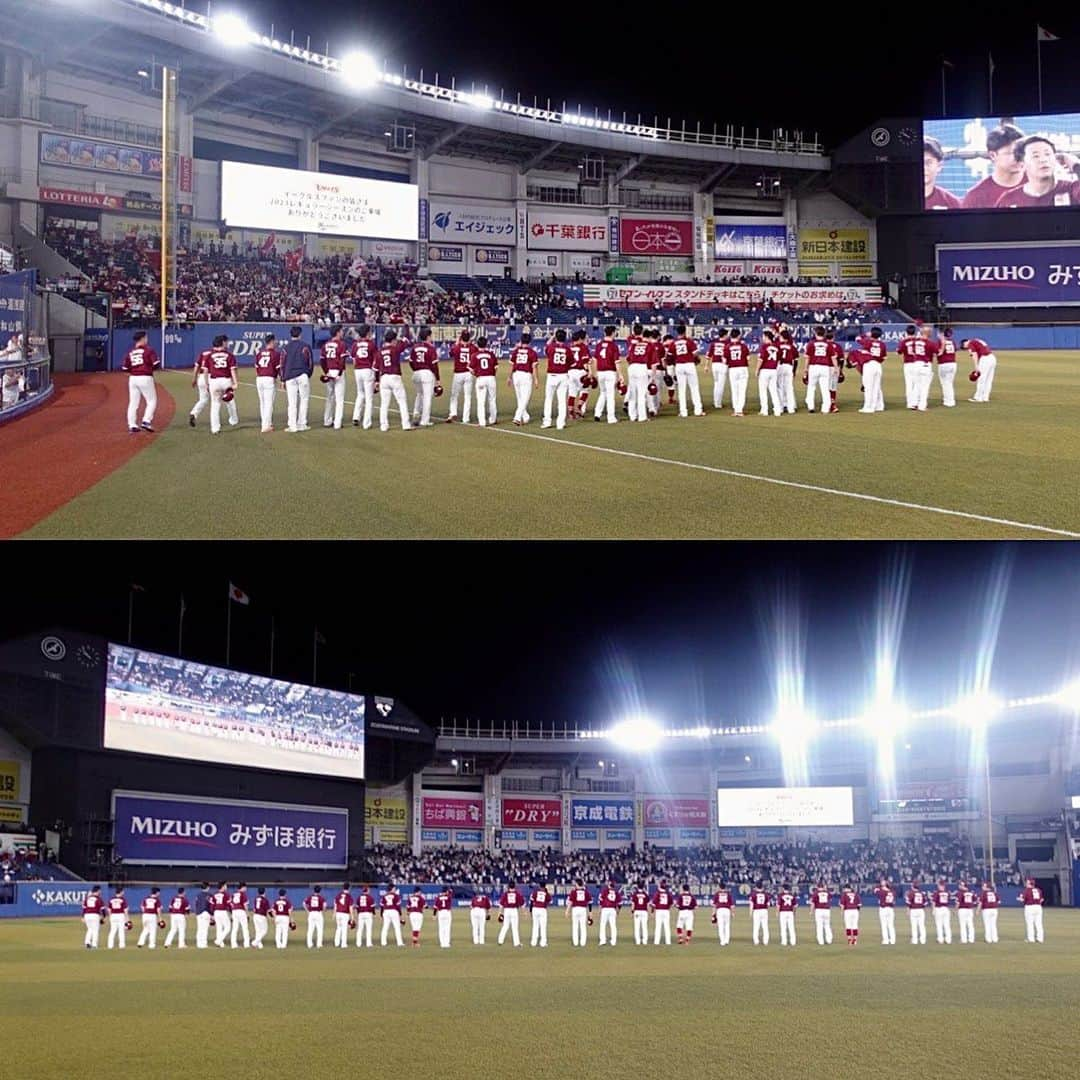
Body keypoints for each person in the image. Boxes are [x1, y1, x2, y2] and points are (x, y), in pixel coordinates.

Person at [994, 134, 1080, 207]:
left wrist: (1076, 165)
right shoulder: (1009, 199)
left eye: (1047, 154)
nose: (1043, 160)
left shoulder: (1073, 189)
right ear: (1022, 164)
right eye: (1036, 156)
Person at [961, 123, 1026, 208]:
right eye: (1010, 153)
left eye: (1021, 152)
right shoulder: (975, 197)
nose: (1018, 157)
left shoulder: (1042, 184)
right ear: (992, 155)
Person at [121, 330, 160, 433]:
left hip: (133, 378)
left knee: (133, 403)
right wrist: (149, 369)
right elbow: (156, 364)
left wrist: (134, 370)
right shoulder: (149, 350)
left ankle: (132, 425)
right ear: (142, 338)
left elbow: (125, 368)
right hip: (145, 377)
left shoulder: (130, 352)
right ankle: (146, 421)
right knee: (152, 401)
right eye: (146, 338)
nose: (147, 339)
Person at [375, 329, 412, 432]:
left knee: (384, 404)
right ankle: (405, 424)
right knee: (402, 402)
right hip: (395, 377)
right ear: (393, 340)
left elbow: (376, 368)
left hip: (384, 378)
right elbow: (406, 338)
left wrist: (376, 381)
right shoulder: (395, 348)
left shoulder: (380, 351)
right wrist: (406, 326)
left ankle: (383, 425)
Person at [282, 326, 313, 433]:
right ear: (300, 334)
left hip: (290, 376)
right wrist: (308, 374)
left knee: (292, 402)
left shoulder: (286, 348)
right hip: (302, 375)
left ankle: (292, 426)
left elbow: (282, 364)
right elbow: (310, 363)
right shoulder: (305, 346)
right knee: (304, 400)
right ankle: (302, 424)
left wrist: (282, 379)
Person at [408, 326, 441, 427]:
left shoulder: (415, 347)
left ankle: (416, 413)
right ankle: (424, 421)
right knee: (427, 397)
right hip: (427, 374)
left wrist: (416, 370)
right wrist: (438, 379)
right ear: (427, 337)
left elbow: (410, 362)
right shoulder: (431, 348)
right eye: (430, 336)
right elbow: (434, 365)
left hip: (416, 373)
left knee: (419, 394)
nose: (431, 338)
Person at [668, 323, 704, 417]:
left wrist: (673, 363)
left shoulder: (673, 343)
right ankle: (698, 410)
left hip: (679, 366)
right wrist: (697, 360)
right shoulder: (689, 341)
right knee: (694, 388)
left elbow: (669, 357)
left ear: (677, 332)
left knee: (681, 389)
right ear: (685, 331)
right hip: (689, 364)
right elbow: (695, 354)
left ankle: (683, 412)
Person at [591, 326, 624, 425]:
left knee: (603, 393)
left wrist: (596, 371)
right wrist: (620, 375)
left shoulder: (599, 345)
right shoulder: (613, 346)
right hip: (610, 372)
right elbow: (617, 362)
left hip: (600, 372)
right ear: (613, 333)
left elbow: (595, 359)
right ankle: (611, 417)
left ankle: (597, 413)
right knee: (610, 395)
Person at [896, 325, 933, 411]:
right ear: (915, 332)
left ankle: (911, 403)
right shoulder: (918, 340)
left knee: (909, 384)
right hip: (918, 363)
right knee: (918, 385)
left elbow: (899, 352)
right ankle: (919, 402)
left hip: (908, 364)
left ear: (906, 332)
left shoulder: (904, 341)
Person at [541, 329, 572, 430]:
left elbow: (546, 345)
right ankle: (560, 423)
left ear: (556, 337)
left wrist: (552, 337)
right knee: (562, 401)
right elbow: (571, 362)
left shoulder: (551, 347)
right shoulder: (567, 349)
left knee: (548, 399)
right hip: (563, 375)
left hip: (552, 376)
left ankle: (547, 422)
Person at [319, 325, 348, 429]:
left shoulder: (325, 345)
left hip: (329, 371)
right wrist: (339, 373)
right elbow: (342, 360)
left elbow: (322, 361)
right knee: (339, 399)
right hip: (338, 371)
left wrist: (326, 372)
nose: (342, 333)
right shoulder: (341, 344)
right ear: (337, 332)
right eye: (341, 331)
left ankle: (327, 421)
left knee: (329, 397)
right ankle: (337, 423)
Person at [508, 333, 539, 426]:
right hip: (526, 375)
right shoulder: (532, 352)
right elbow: (534, 367)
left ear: (521, 341)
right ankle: (517, 417)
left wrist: (509, 377)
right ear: (530, 342)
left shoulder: (516, 351)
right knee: (525, 398)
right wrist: (536, 379)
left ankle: (525, 416)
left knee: (520, 398)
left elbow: (512, 365)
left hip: (516, 375)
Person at [253, 333, 282, 432]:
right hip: (269, 379)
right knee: (269, 403)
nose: (276, 342)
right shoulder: (276, 354)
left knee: (263, 402)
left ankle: (265, 423)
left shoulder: (259, 353)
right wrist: (281, 379)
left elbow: (256, 368)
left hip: (259, 378)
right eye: (275, 341)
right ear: (272, 341)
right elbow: (278, 369)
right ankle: (266, 426)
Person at [351, 325, 378, 429]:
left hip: (358, 370)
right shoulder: (371, 344)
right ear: (367, 333)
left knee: (360, 394)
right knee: (369, 397)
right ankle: (367, 423)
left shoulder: (355, 344)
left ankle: (356, 417)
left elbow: (353, 359)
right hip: (368, 369)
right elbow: (376, 360)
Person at [924, 136, 961, 209]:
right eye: (920, 162)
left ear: (939, 166)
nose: (924, 167)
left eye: (928, 162)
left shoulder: (953, 203)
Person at [803, 327, 835, 414]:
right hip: (825, 367)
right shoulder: (829, 344)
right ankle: (825, 408)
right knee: (825, 388)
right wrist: (836, 368)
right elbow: (833, 357)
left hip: (814, 366)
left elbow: (807, 358)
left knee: (811, 387)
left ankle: (811, 406)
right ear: (824, 334)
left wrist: (805, 369)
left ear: (815, 333)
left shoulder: (811, 344)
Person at [447, 330, 476, 423]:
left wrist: (456, 342)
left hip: (458, 373)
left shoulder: (457, 347)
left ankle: (453, 413)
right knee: (467, 396)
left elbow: (450, 353)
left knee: (454, 395)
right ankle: (466, 418)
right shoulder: (473, 348)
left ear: (461, 337)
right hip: (469, 374)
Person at [625, 327, 653, 422]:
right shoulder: (649, 345)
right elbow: (653, 363)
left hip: (632, 367)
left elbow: (628, 357)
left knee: (632, 393)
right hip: (641, 367)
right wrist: (652, 377)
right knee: (641, 394)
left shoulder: (635, 344)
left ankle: (632, 416)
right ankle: (642, 417)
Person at [858, 328, 888, 413]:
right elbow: (884, 357)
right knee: (876, 387)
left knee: (868, 387)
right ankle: (878, 406)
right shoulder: (882, 344)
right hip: (878, 365)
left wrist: (865, 335)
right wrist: (878, 361)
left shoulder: (867, 342)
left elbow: (858, 338)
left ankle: (868, 407)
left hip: (868, 364)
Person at [472, 335, 499, 427]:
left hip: (481, 378)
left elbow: (471, 369)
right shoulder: (491, 354)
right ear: (486, 344)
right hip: (491, 378)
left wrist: (476, 375)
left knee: (481, 401)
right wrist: (492, 375)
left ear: (477, 344)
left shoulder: (475, 355)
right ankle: (493, 419)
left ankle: (482, 422)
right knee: (492, 399)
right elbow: (496, 367)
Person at [960, 336, 997, 402]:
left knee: (981, 379)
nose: (965, 347)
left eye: (964, 345)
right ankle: (985, 397)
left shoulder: (970, 343)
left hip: (985, 359)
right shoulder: (976, 340)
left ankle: (978, 398)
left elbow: (974, 355)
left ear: (965, 342)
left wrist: (976, 367)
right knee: (988, 380)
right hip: (992, 358)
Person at [756, 329, 783, 417]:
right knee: (773, 391)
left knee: (763, 391)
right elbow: (779, 359)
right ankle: (777, 410)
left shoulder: (764, 346)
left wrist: (757, 370)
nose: (762, 338)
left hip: (765, 370)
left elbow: (761, 359)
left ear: (767, 337)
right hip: (774, 370)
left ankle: (765, 410)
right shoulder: (777, 346)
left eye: (763, 336)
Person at [724, 329, 750, 416]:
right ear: (739, 336)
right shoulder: (743, 346)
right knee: (742, 390)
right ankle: (740, 410)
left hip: (732, 369)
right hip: (742, 368)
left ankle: (736, 410)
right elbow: (748, 358)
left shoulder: (727, 347)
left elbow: (724, 360)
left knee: (734, 390)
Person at [568, 329, 592, 419]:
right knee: (585, 391)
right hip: (580, 371)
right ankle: (578, 408)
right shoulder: (583, 347)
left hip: (570, 372)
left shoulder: (569, 347)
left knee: (572, 393)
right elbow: (586, 361)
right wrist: (589, 372)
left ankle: (570, 412)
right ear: (580, 338)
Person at [188, 342, 212, 427]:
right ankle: (231, 418)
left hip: (201, 378)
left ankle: (194, 413)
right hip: (211, 377)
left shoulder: (203, 353)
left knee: (203, 399)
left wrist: (194, 378)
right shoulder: (215, 354)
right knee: (218, 399)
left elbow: (196, 366)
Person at [706, 327, 729, 409]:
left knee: (716, 384)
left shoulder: (714, 343)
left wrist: (706, 366)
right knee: (721, 385)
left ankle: (715, 401)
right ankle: (718, 404)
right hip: (722, 365)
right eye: (727, 334)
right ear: (725, 335)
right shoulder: (727, 343)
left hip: (714, 364)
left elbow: (708, 355)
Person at [934, 327, 957, 407]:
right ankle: (951, 400)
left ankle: (948, 401)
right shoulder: (952, 341)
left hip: (944, 363)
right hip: (953, 363)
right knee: (950, 383)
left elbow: (938, 352)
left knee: (945, 383)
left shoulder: (940, 341)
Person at [498, 881, 525, 947]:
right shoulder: (517, 893)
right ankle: (516, 943)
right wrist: (523, 912)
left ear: (508, 886)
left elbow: (501, 904)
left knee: (505, 926)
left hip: (506, 910)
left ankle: (500, 941)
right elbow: (522, 904)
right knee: (515, 927)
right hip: (514, 910)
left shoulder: (506, 894)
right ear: (514, 886)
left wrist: (500, 913)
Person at [777, 329, 798, 414]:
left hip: (780, 366)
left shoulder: (777, 345)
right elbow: (796, 360)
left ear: (782, 337)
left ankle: (781, 407)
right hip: (789, 367)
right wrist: (794, 371)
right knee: (789, 387)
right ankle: (791, 408)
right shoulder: (791, 346)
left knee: (780, 387)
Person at [567, 880, 592, 947]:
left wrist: (567, 911)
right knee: (583, 926)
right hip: (583, 909)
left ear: (577, 884)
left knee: (575, 926)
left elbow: (570, 902)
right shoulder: (586, 892)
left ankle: (575, 943)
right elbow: (590, 902)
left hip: (575, 909)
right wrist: (590, 912)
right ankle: (583, 943)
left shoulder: (574, 892)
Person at [1020, 876, 1045, 943]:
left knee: (1030, 923)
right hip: (1038, 907)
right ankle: (1040, 938)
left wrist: (1020, 899)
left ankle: (1031, 939)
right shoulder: (1038, 890)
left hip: (1030, 907)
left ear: (1029, 883)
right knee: (1039, 924)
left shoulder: (1027, 890)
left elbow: (1023, 899)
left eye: (1027, 882)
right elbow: (1042, 899)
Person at [873, 878, 897, 946]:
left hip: (883, 909)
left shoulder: (881, 891)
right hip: (891, 909)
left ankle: (886, 940)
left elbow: (875, 891)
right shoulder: (892, 892)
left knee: (884, 925)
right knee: (891, 925)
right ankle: (893, 940)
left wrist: (879, 886)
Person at [598, 880, 622, 946]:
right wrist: (618, 911)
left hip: (605, 909)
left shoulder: (605, 891)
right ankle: (613, 941)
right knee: (613, 926)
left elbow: (601, 900)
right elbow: (620, 903)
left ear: (609, 885)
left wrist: (599, 909)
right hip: (612, 910)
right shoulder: (616, 892)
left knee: (603, 925)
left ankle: (603, 941)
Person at [650, 880, 674, 946]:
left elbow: (653, 904)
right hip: (666, 911)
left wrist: (652, 912)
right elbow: (672, 904)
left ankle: (656, 942)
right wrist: (667, 908)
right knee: (667, 927)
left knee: (658, 927)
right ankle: (668, 942)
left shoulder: (658, 893)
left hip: (659, 911)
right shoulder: (668, 893)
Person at [711, 881, 735, 946]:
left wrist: (713, 914)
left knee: (721, 926)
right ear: (725, 887)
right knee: (727, 926)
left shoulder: (717, 893)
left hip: (720, 910)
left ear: (719, 887)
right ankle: (727, 941)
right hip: (727, 910)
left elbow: (714, 905)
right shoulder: (728, 894)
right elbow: (732, 905)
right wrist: (733, 913)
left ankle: (722, 941)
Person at [81, 884, 105, 949]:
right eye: (100, 890)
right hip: (95, 915)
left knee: (90, 929)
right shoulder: (98, 899)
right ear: (98, 891)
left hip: (87, 915)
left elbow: (84, 908)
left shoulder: (87, 898)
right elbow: (102, 909)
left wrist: (82, 916)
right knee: (95, 930)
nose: (100, 892)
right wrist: (103, 917)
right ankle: (94, 945)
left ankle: (87, 942)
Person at [905, 880, 928, 945]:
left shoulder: (911, 893)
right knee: (922, 926)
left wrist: (908, 911)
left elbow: (908, 903)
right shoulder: (922, 893)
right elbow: (925, 903)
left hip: (914, 910)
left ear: (913, 886)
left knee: (914, 926)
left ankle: (915, 940)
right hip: (921, 910)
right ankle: (923, 940)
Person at [955, 879, 977, 944]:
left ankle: (964, 940)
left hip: (962, 910)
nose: (959, 886)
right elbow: (975, 901)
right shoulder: (971, 892)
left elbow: (958, 903)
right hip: (970, 909)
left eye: (960, 885)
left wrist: (955, 910)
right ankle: (971, 939)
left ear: (962, 885)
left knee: (963, 925)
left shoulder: (960, 893)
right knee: (970, 925)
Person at [931, 880, 953, 944]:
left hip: (939, 909)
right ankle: (948, 939)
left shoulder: (937, 892)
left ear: (940, 885)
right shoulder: (947, 892)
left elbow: (933, 902)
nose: (938, 886)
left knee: (939, 925)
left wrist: (933, 910)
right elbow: (949, 900)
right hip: (946, 909)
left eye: (938, 885)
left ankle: (940, 939)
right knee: (947, 925)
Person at [529, 882, 551, 948]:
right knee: (543, 927)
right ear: (545, 886)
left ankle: (533, 943)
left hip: (535, 909)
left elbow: (531, 902)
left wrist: (530, 911)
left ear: (539, 886)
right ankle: (543, 943)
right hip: (542, 909)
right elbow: (549, 900)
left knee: (535, 926)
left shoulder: (535, 892)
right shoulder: (546, 893)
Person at [229, 882, 250, 949]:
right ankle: (246, 944)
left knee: (235, 928)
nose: (246, 889)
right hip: (241, 911)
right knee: (245, 928)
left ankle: (233, 944)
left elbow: (231, 904)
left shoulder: (233, 894)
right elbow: (245, 905)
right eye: (245, 887)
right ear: (243, 887)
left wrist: (232, 913)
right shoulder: (243, 894)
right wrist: (247, 914)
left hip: (234, 911)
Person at [333, 883, 354, 948]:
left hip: (338, 913)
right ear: (349, 888)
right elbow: (350, 907)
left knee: (338, 928)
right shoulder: (349, 896)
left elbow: (335, 906)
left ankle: (336, 943)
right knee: (344, 929)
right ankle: (343, 944)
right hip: (345, 914)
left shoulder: (338, 895)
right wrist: (352, 916)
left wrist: (334, 914)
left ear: (343, 887)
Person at [211, 881, 232, 947]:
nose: (226, 886)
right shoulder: (226, 894)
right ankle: (218, 941)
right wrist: (231, 912)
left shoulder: (214, 894)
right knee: (228, 928)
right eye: (225, 885)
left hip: (216, 911)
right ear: (222, 886)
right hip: (222, 911)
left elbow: (212, 905)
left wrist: (212, 914)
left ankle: (220, 943)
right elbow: (229, 905)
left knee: (219, 928)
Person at [195, 882, 213, 949]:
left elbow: (196, 904)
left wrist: (197, 913)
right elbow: (210, 905)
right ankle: (203, 944)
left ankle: (199, 944)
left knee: (200, 929)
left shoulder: (198, 895)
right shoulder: (209, 895)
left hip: (199, 913)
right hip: (206, 912)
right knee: (205, 929)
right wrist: (211, 915)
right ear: (208, 887)